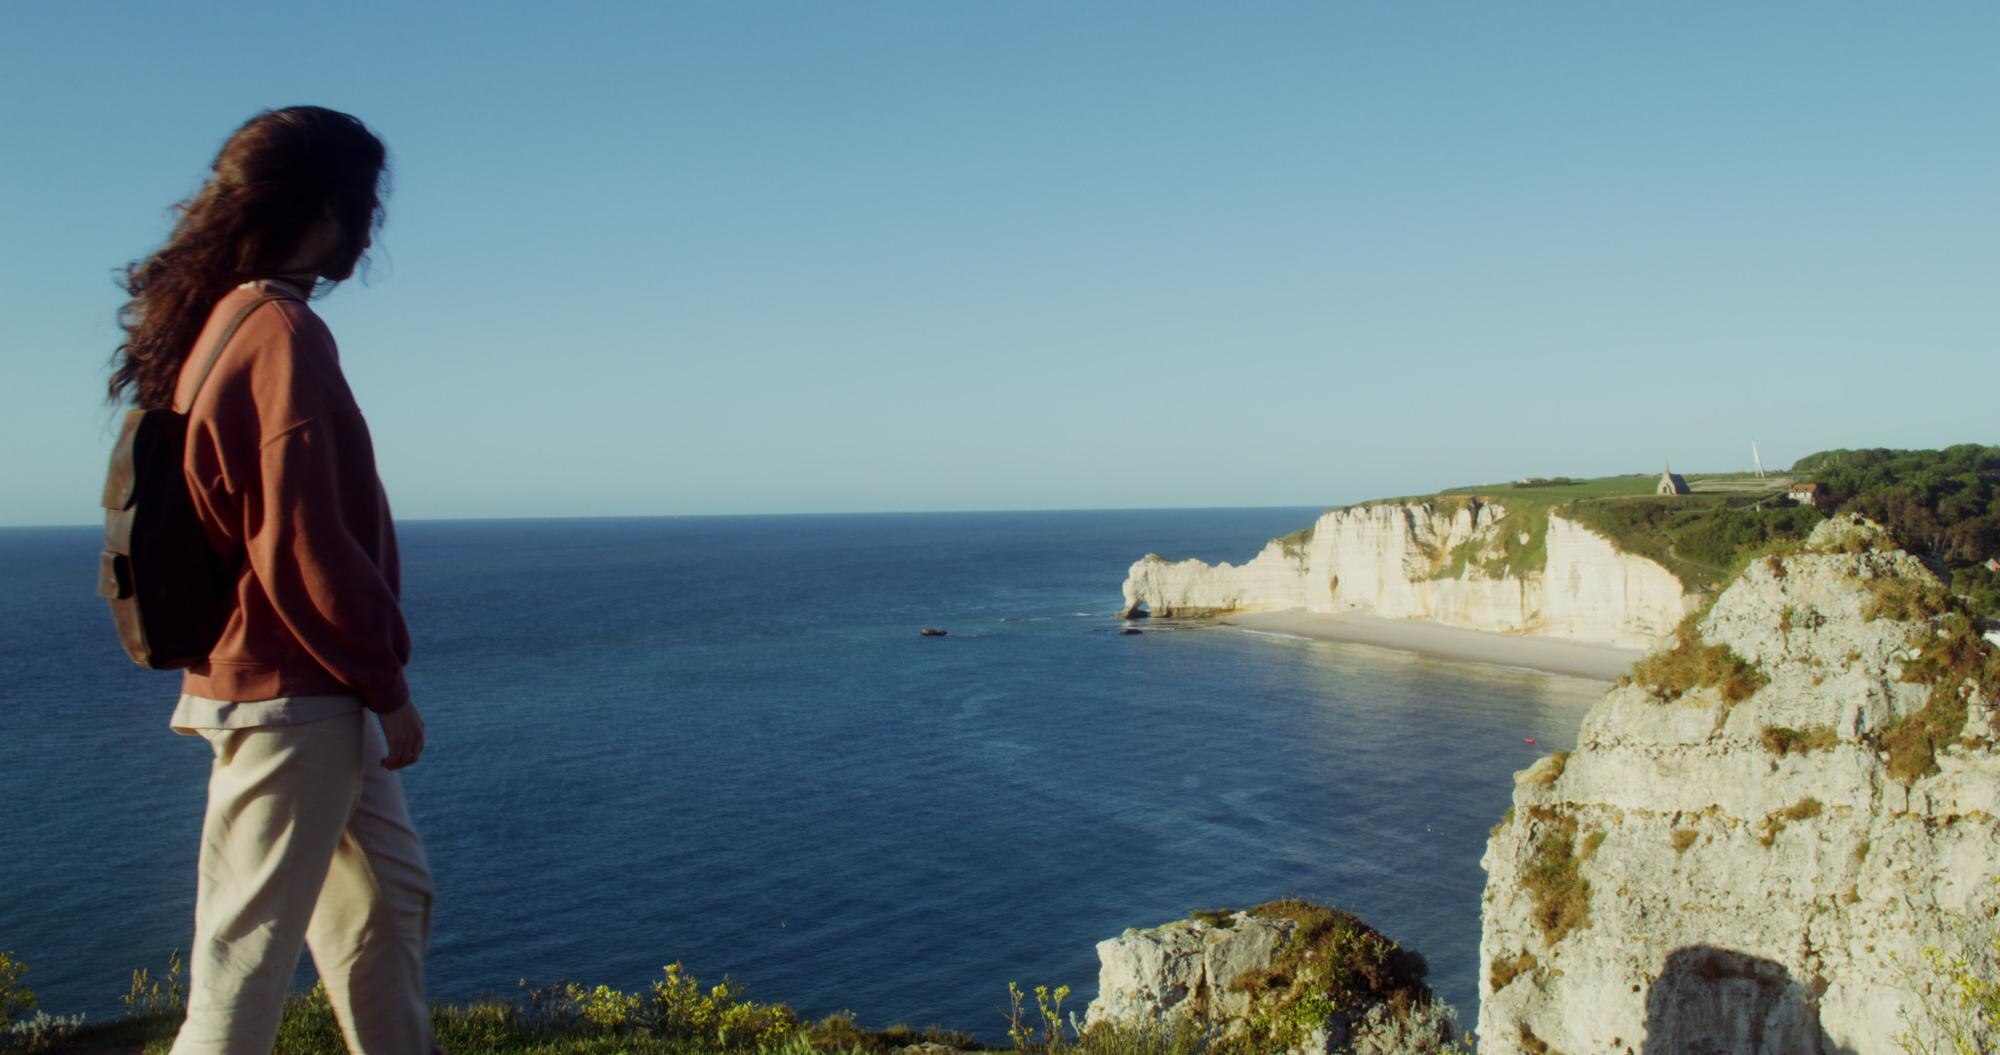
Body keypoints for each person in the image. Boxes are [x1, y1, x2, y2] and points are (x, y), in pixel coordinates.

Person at [108, 106, 435, 1055]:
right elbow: (302, 543)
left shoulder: (230, 322)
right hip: (294, 697)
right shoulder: (278, 332)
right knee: (241, 967)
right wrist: (389, 685)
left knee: (388, 902)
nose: (371, 225)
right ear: (328, 207)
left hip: (301, 691)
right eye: (365, 202)